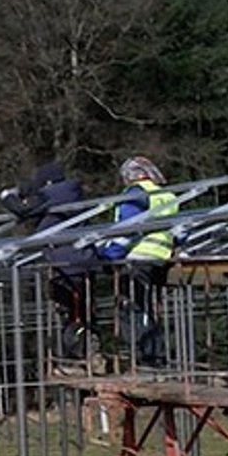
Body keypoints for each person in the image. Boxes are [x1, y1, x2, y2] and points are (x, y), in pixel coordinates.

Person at [0, 161, 96, 361]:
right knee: (76, 311)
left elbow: (23, 210)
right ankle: (81, 355)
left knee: (74, 312)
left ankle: (80, 356)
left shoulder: (57, 194)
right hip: (75, 260)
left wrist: (7, 196)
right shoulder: (67, 193)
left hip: (68, 262)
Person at [98, 155, 178, 369]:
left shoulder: (136, 195)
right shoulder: (165, 195)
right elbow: (178, 230)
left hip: (138, 257)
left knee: (132, 308)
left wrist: (109, 255)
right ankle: (156, 356)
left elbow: (128, 230)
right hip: (160, 258)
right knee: (150, 309)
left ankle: (146, 358)